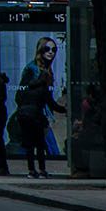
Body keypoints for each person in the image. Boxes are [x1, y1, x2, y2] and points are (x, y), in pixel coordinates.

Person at [15, 39, 65, 179]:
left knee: (30, 145)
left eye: (54, 50)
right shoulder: (33, 71)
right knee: (41, 145)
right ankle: (41, 170)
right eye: (47, 49)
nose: (51, 53)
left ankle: (32, 170)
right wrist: (65, 110)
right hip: (36, 117)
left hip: (25, 115)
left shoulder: (40, 76)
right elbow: (51, 103)